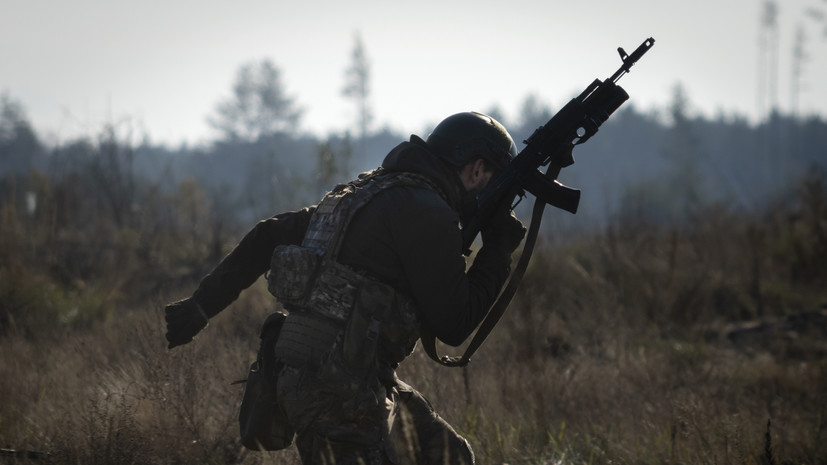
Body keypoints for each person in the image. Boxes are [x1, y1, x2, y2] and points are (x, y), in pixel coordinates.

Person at [164, 111, 526, 465]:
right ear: (477, 169)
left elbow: (267, 236)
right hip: (335, 394)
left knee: (448, 456)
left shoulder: (364, 192)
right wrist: (497, 250)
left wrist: (200, 306)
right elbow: (455, 323)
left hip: (341, 378)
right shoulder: (427, 210)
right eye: (494, 181)